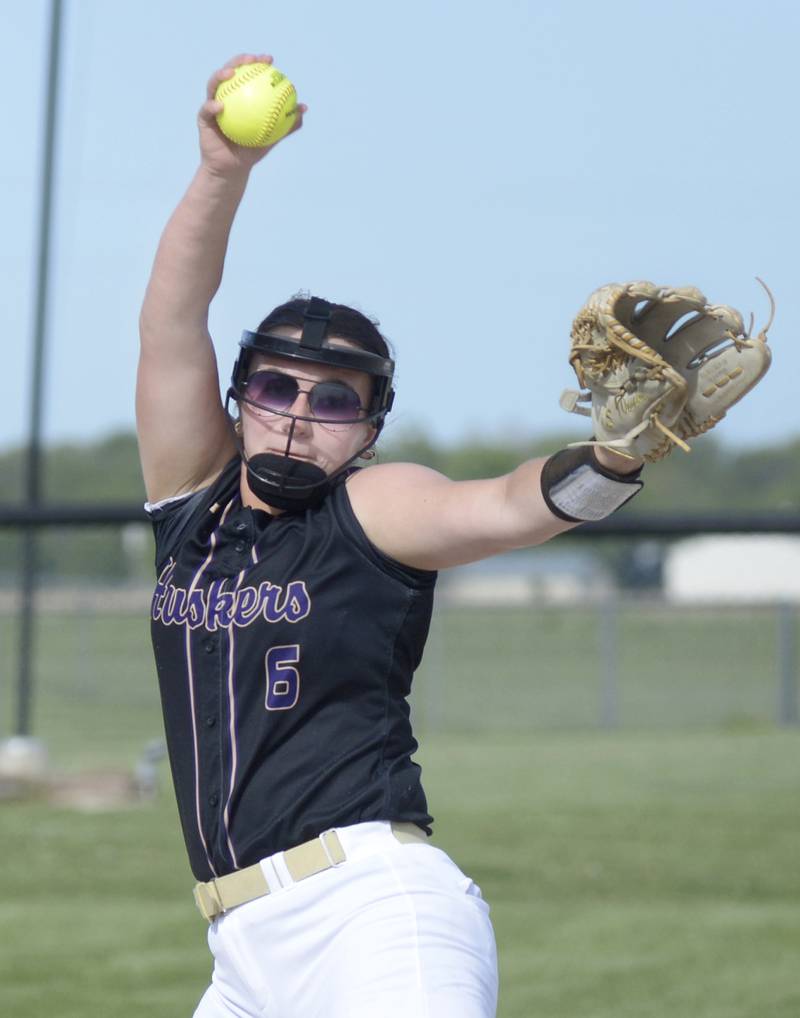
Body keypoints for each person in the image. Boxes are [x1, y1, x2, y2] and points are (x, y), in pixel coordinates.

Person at [137, 54, 645, 1018]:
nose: (297, 413)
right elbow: (171, 323)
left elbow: (505, 507)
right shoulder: (188, 512)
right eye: (276, 386)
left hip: (371, 913)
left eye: (334, 399)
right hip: (241, 953)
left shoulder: (370, 508)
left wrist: (611, 460)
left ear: (369, 429)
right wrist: (220, 172)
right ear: (240, 398)